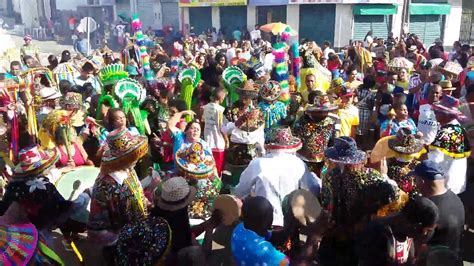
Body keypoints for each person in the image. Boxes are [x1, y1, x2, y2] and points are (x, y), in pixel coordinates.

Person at [234, 126, 320, 227]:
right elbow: (313, 189)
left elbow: (240, 191)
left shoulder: (257, 164)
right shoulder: (298, 163)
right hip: (290, 221)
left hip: (262, 219)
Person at [88, 129, 149, 247]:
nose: (136, 159)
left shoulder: (129, 169)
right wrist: (118, 240)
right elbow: (96, 228)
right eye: (131, 156)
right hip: (120, 242)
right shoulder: (104, 185)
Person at [357, 196, 439, 266]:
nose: (425, 235)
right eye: (426, 231)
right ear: (416, 226)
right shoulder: (376, 234)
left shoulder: (407, 234)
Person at [168, 113, 222, 219]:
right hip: (180, 176)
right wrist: (183, 112)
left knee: (211, 187)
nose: (196, 130)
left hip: (200, 179)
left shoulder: (204, 145)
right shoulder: (180, 138)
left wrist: (216, 178)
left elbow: (212, 164)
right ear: (186, 131)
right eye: (192, 128)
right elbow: (170, 124)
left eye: (198, 129)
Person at [414, 160, 465, 253]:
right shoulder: (455, 198)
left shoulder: (428, 209)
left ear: (422, 181)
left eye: (415, 179)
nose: (415, 183)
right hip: (452, 256)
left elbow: (420, 243)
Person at [428, 95, 471, 194]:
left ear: (447, 115)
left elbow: (433, 161)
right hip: (458, 184)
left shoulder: (446, 132)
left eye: (438, 111)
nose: (435, 113)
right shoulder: (458, 127)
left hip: (446, 186)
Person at [231, 196, 290, 265]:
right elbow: (286, 262)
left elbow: (268, 235)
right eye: (271, 214)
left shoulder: (238, 229)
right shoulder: (266, 253)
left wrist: (286, 232)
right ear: (268, 222)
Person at [202, 87, 227, 176]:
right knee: (218, 167)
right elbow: (222, 127)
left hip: (208, 141)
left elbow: (203, 122)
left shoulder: (206, 108)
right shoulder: (219, 109)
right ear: (221, 98)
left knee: (208, 166)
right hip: (218, 142)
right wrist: (226, 140)